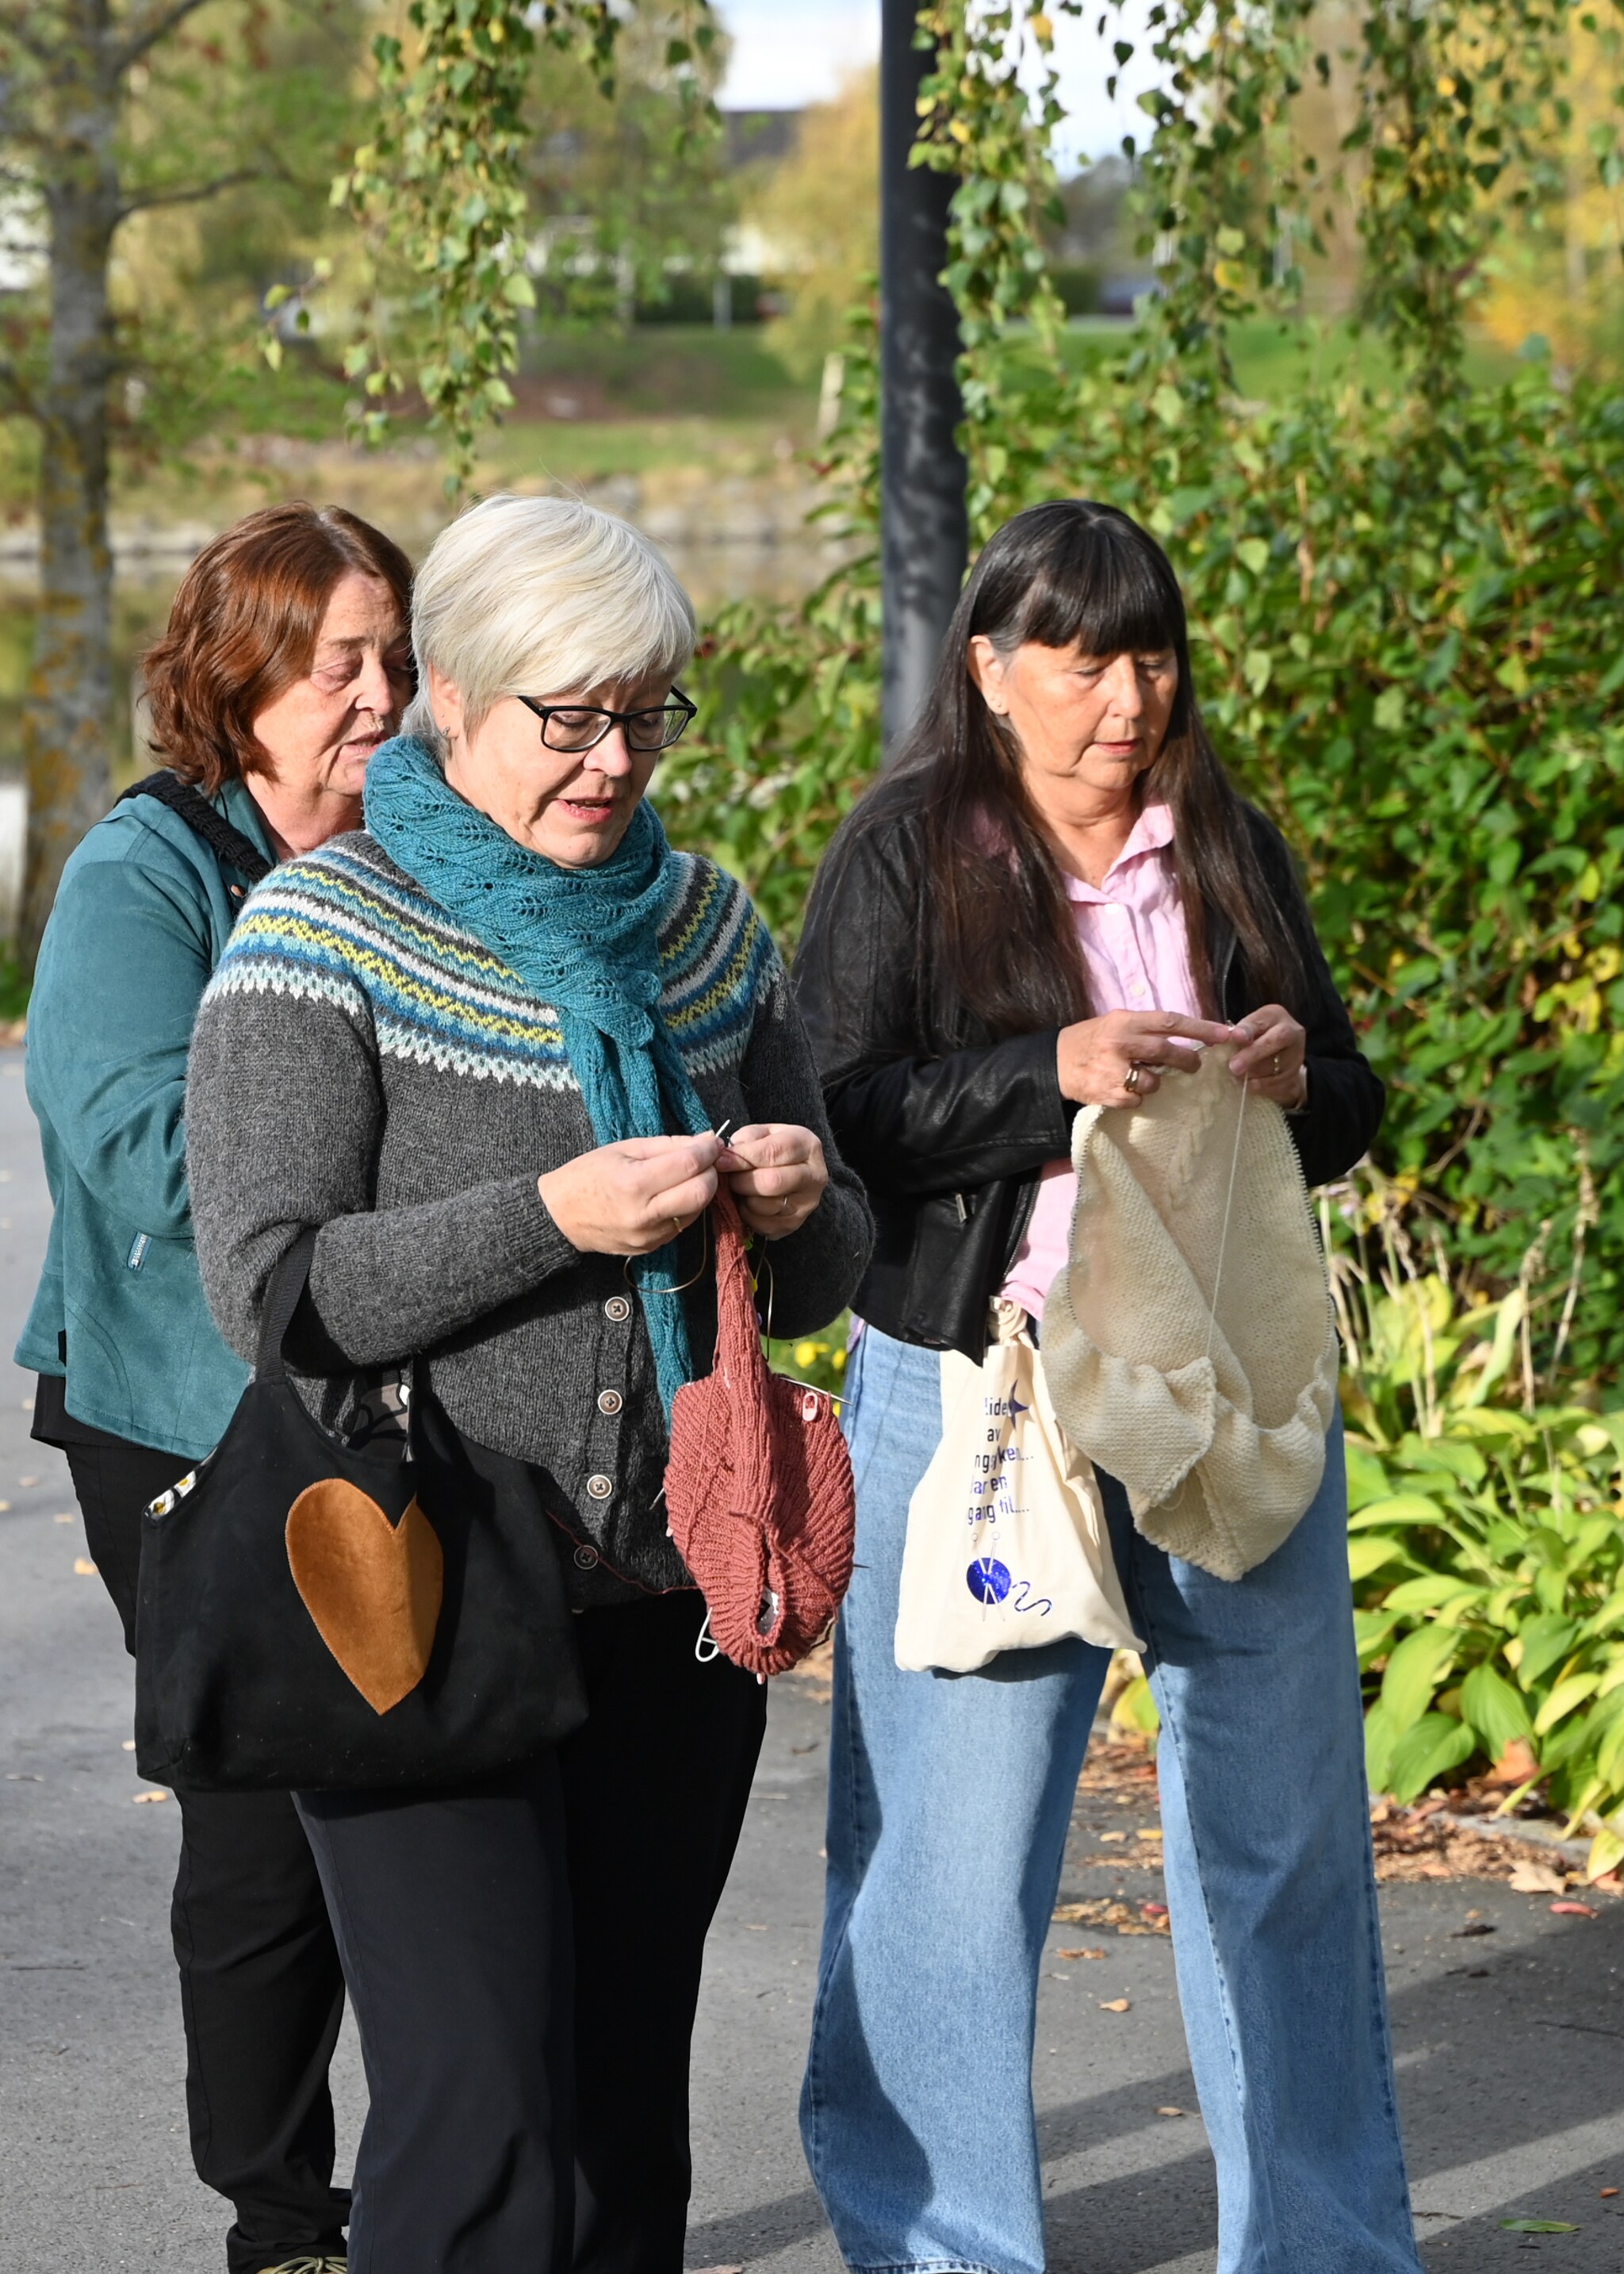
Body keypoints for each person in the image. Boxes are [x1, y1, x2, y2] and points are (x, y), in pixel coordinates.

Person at [183, 491, 872, 2274]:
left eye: (644, 713)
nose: (612, 758)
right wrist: (550, 1216)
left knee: (620, 2116)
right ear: (452, 696)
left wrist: (804, 1204)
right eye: (567, 715)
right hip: (414, 1601)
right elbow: (274, 1291)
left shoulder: (709, 932)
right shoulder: (320, 931)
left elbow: (815, 1275)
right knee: (480, 2122)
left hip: (669, 1602)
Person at [791, 498, 1422, 2274]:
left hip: (1225, 1396)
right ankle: (942, 2251)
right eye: (1074, 655)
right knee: (950, 1874)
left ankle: (1317, 2250)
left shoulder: (1221, 840)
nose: (1118, 696)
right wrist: (1040, 1071)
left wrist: (1306, 1078)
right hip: (987, 1405)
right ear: (989, 671)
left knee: (1286, 1856)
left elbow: (1353, 1099)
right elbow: (833, 1114)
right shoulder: (908, 850)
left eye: (1147, 653)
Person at [18, 502, 416, 2274]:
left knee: (425, 1794)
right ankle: (279, 2218)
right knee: (264, 1827)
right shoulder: (145, 871)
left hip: (394, 1389)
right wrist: (423, 1211)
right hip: (187, 1420)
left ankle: (444, 2190)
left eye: (399, 660)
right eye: (341, 666)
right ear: (240, 678)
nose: (382, 698)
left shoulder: (417, 850)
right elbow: (130, 1152)